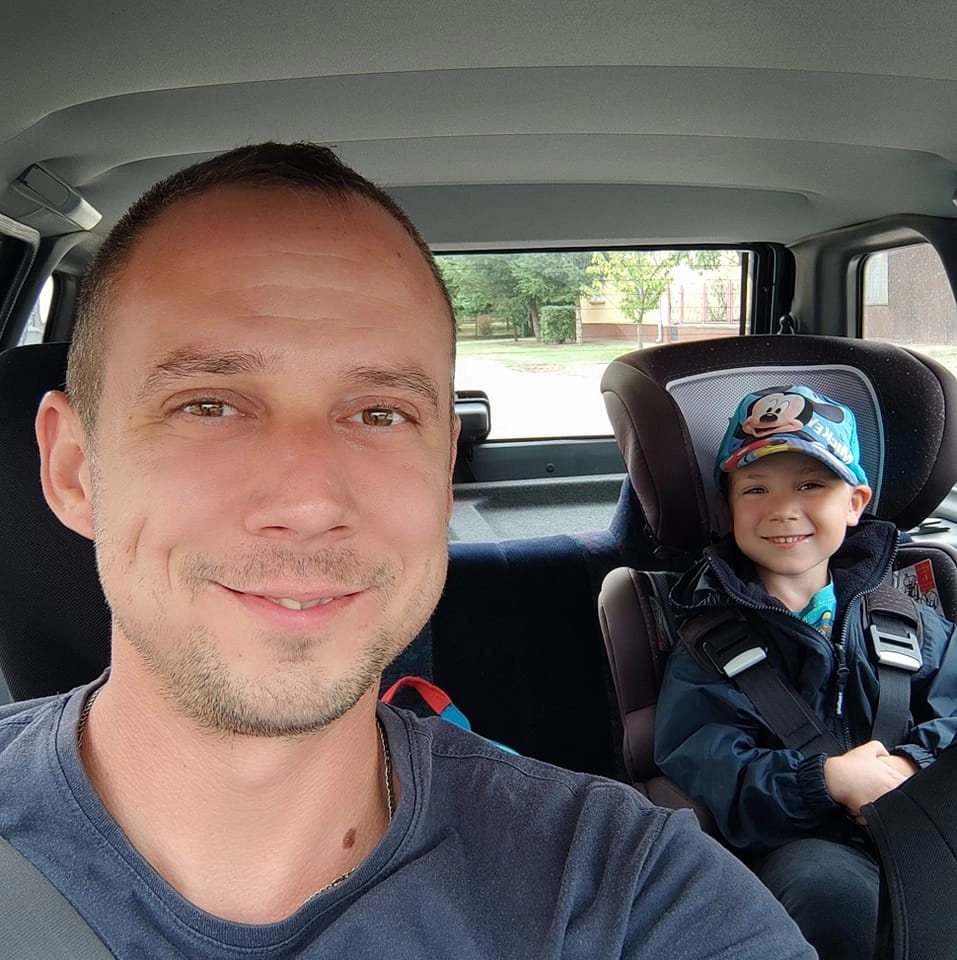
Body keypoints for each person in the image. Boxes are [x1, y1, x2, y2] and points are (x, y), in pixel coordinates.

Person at [0, 142, 814, 958]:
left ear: (442, 469)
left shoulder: (632, 894)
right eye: (208, 405)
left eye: (379, 414)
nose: (309, 504)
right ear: (73, 470)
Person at [654, 384, 957, 959]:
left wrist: (911, 765)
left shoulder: (904, 616)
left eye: (811, 485)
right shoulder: (709, 643)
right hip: (807, 843)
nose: (782, 509)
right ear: (728, 509)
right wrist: (826, 781)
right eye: (756, 489)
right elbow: (710, 763)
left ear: (855, 502)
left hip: (925, 828)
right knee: (825, 889)